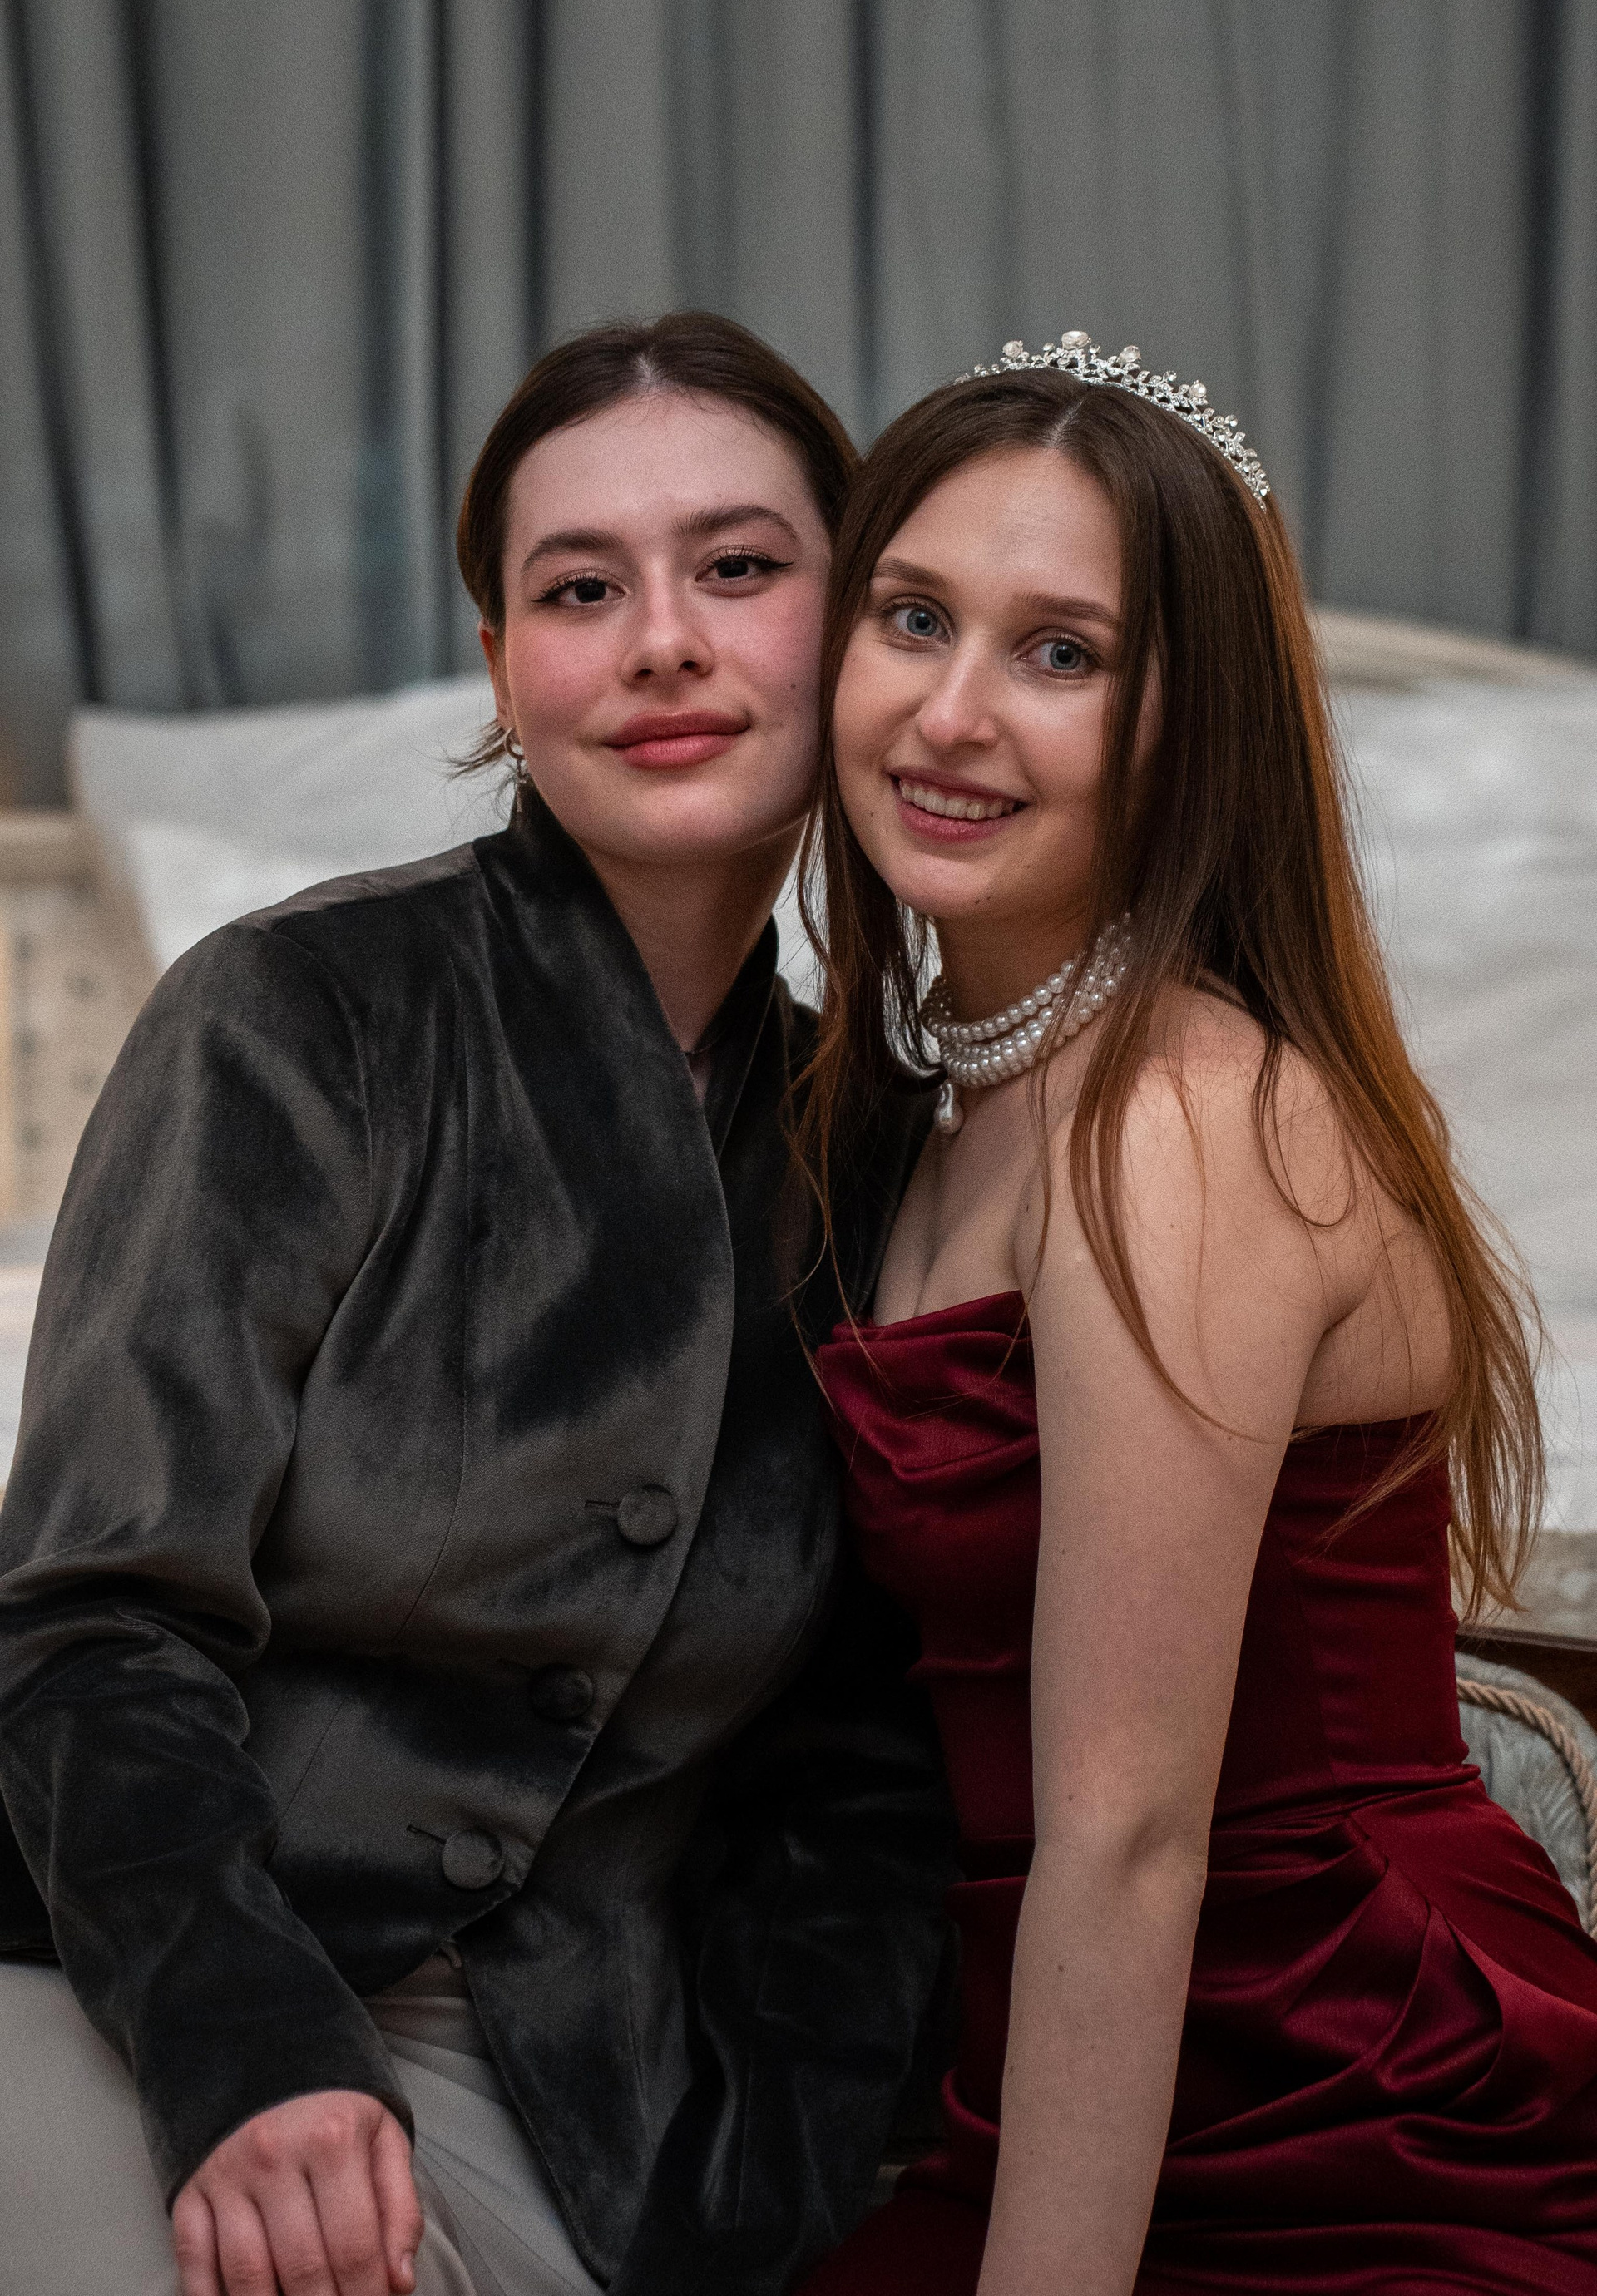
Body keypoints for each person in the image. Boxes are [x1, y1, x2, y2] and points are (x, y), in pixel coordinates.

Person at [0, 314, 956, 2296]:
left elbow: (859, 1768)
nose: (664, 642)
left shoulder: (882, 1146)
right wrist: (246, 2049)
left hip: (602, 2084)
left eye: (740, 566)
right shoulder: (293, 1021)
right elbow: (92, 1621)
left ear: (860, 626)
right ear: (508, 672)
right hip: (148, 1982)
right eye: (580, 590)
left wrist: (786, 2150)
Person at [793, 336, 1597, 2294]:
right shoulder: (936, 1112)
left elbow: (1130, 1838)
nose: (952, 713)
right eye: (914, 617)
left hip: (1346, 2093)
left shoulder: (1180, 1125)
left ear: (1189, 729)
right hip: (1066, 2068)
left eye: (1061, 654)